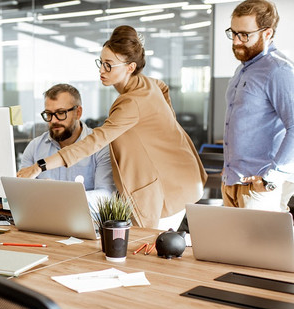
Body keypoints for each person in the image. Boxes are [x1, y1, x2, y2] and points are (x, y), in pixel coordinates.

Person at [17, 26, 207, 229]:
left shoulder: (131, 102)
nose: (101, 71)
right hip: (183, 178)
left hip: (169, 189)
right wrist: (164, 132)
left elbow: (94, 142)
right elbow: (163, 88)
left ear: (130, 67)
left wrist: (41, 166)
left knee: (146, 252)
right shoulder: (148, 84)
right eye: (101, 63)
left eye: (109, 65)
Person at [221, 0, 294, 211]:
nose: (236, 41)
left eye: (244, 35)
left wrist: (271, 178)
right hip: (233, 181)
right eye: (233, 33)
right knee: (229, 244)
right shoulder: (243, 69)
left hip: (259, 186)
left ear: (267, 33)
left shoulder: (278, 71)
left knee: (262, 245)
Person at [21, 83, 115, 211]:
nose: (54, 120)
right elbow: (21, 192)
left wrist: (62, 196)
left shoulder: (100, 147)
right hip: (43, 222)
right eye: (48, 114)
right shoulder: (35, 147)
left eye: (60, 113)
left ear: (78, 112)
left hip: (87, 225)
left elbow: (106, 196)